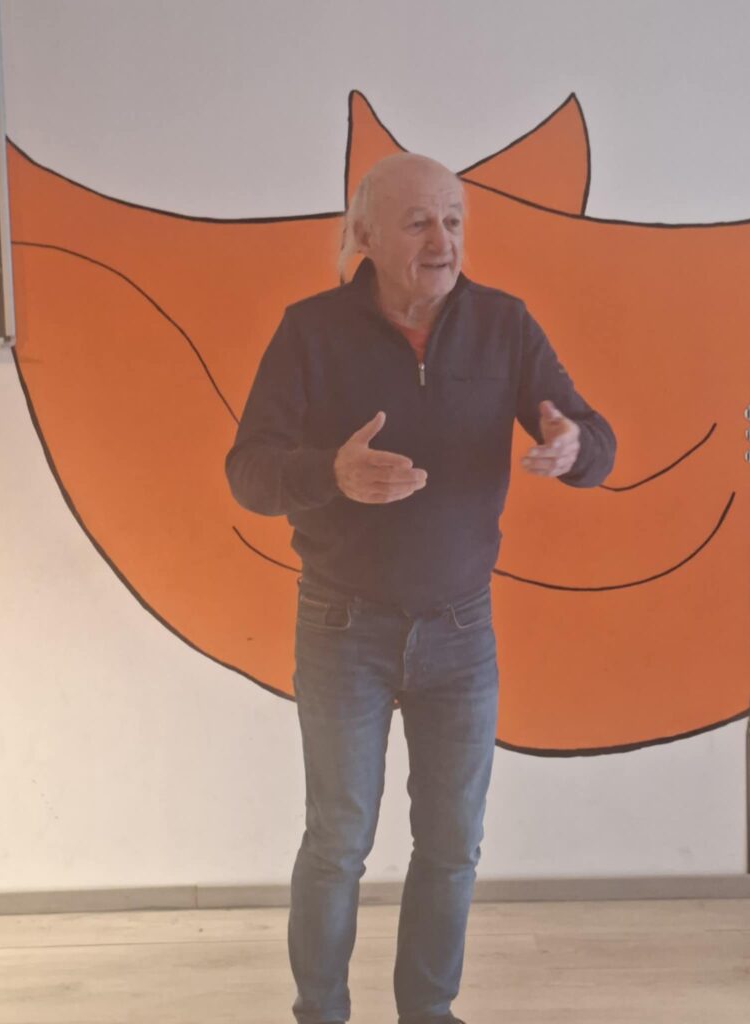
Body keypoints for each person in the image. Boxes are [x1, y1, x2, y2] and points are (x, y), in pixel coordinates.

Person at [225, 153, 616, 1024]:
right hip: (341, 629)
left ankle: (428, 1013)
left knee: (451, 844)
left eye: (453, 220)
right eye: (418, 222)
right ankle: (320, 1013)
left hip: (460, 633)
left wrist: (572, 447)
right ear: (365, 236)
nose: (443, 240)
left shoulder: (505, 325)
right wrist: (330, 472)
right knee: (338, 841)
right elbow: (247, 472)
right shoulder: (309, 331)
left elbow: (596, 438)